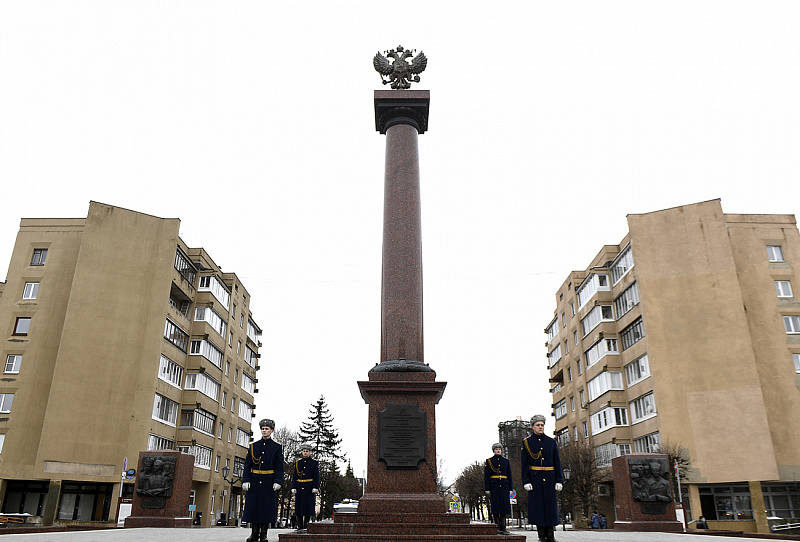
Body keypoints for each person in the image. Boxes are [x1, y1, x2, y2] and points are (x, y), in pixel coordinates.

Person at [521, 415, 563, 542]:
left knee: (550, 507)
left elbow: (557, 462)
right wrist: (526, 480)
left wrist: (559, 480)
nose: (540, 427)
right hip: (535, 479)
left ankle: (551, 536)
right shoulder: (527, 442)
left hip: (550, 479)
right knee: (538, 508)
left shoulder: (551, 442)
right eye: (538, 425)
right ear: (533, 427)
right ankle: (541, 536)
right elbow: (524, 464)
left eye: (542, 425)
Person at [242, 419, 284, 542]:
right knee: (254, 508)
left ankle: (264, 534)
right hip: (254, 481)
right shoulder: (253, 446)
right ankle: (254, 533)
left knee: (265, 509)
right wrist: (246, 479)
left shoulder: (276, 447)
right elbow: (247, 464)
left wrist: (278, 481)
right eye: (262, 429)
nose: (264, 431)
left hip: (268, 482)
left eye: (266, 429)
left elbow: (279, 466)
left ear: (271, 430)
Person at [484, 442, 513, 534]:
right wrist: (487, 488)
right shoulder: (489, 461)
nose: (498, 450)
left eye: (499, 449)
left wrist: (510, 488)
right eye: (496, 449)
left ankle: (503, 527)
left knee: (504, 507)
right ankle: (497, 527)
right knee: (496, 507)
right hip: (494, 486)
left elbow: (509, 475)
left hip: (504, 485)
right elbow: (486, 475)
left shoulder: (506, 461)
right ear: (494, 451)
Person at [291, 442, 320, 532]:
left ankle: (306, 524)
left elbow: (316, 476)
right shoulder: (298, 463)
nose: (305, 453)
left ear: (310, 452)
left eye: (307, 451)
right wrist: (293, 487)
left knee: (308, 506)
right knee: (298, 507)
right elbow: (294, 476)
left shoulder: (314, 463)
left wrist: (315, 486)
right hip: (299, 487)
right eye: (304, 451)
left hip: (309, 487)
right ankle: (299, 525)